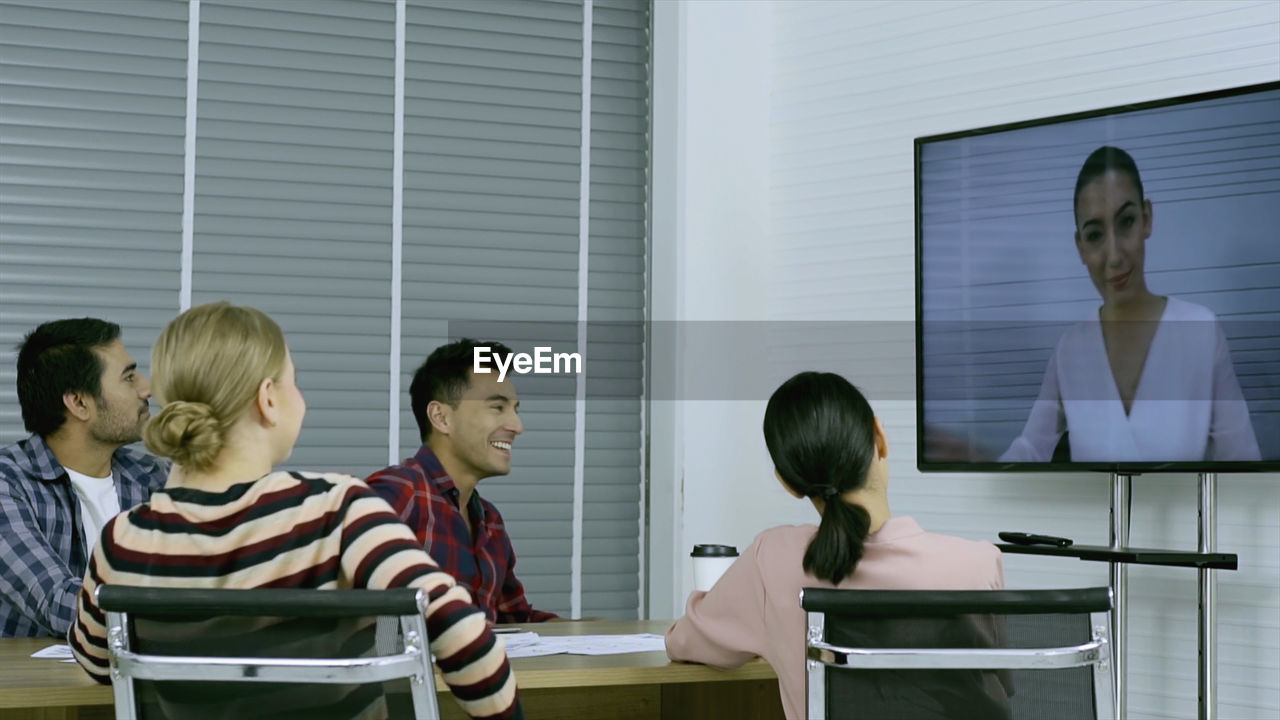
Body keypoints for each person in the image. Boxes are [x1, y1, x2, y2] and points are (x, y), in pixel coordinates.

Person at [68, 303, 522, 720]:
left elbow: (96, 665)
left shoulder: (121, 540)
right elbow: (465, 638)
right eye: (293, 380)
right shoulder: (336, 510)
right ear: (268, 399)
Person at [665, 372, 1008, 720]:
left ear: (788, 484)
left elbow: (683, 642)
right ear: (880, 438)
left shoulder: (772, 559)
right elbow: (994, 685)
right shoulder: (978, 564)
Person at [1001, 146, 1260, 462]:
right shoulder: (1070, 350)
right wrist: (971, 460)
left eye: (1126, 222)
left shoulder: (1201, 332)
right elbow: (1029, 450)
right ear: (1080, 247)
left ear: (1147, 219)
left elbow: (1244, 461)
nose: (1114, 256)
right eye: (1095, 235)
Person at [365, 340, 557, 624]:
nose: (517, 426)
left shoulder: (489, 521)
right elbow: (347, 615)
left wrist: (598, 634)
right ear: (441, 418)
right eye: (497, 407)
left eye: (515, 409)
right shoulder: (398, 495)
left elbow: (514, 621)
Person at [0, 318, 167, 637]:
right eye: (129, 377)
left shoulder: (155, 477)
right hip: (42, 687)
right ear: (78, 403)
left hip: (138, 680)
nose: (147, 388)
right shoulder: (9, 483)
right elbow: (57, 602)